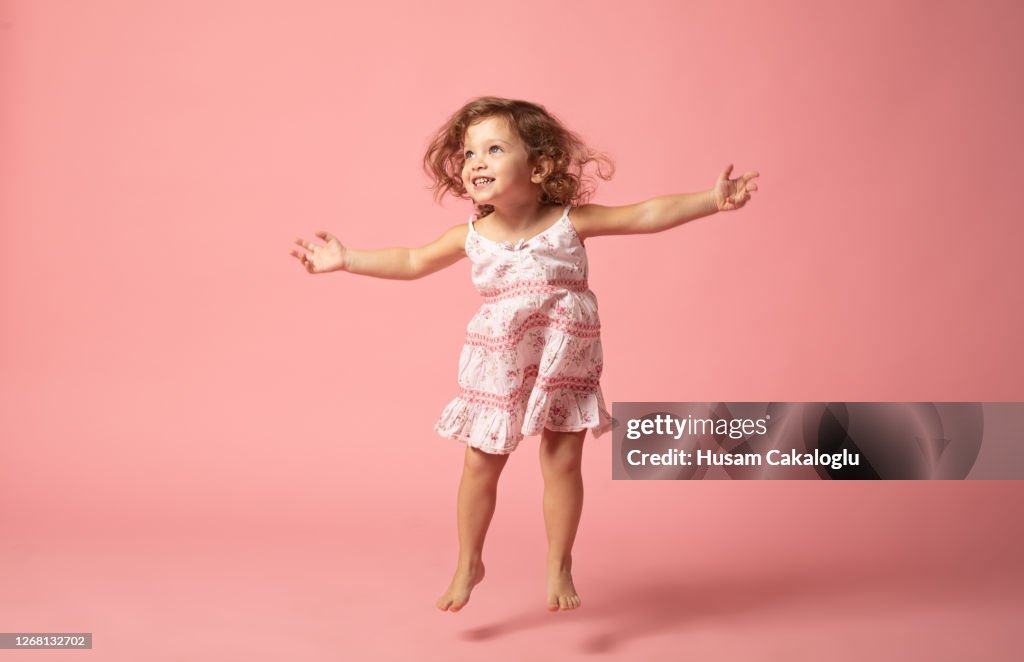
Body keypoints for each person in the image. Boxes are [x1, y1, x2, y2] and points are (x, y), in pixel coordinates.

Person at [290, 96, 759, 613]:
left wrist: (710, 200)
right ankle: (470, 561)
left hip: (564, 356)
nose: (477, 162)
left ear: (539, 167)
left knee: (561, 461)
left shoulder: (568, 222)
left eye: (494, 149)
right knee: (479, 463)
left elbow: (645, 214)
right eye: (469, 154)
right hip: (499, 360)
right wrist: (346, 258)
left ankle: (559, 562)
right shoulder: (470, 236)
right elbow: (411, 259)